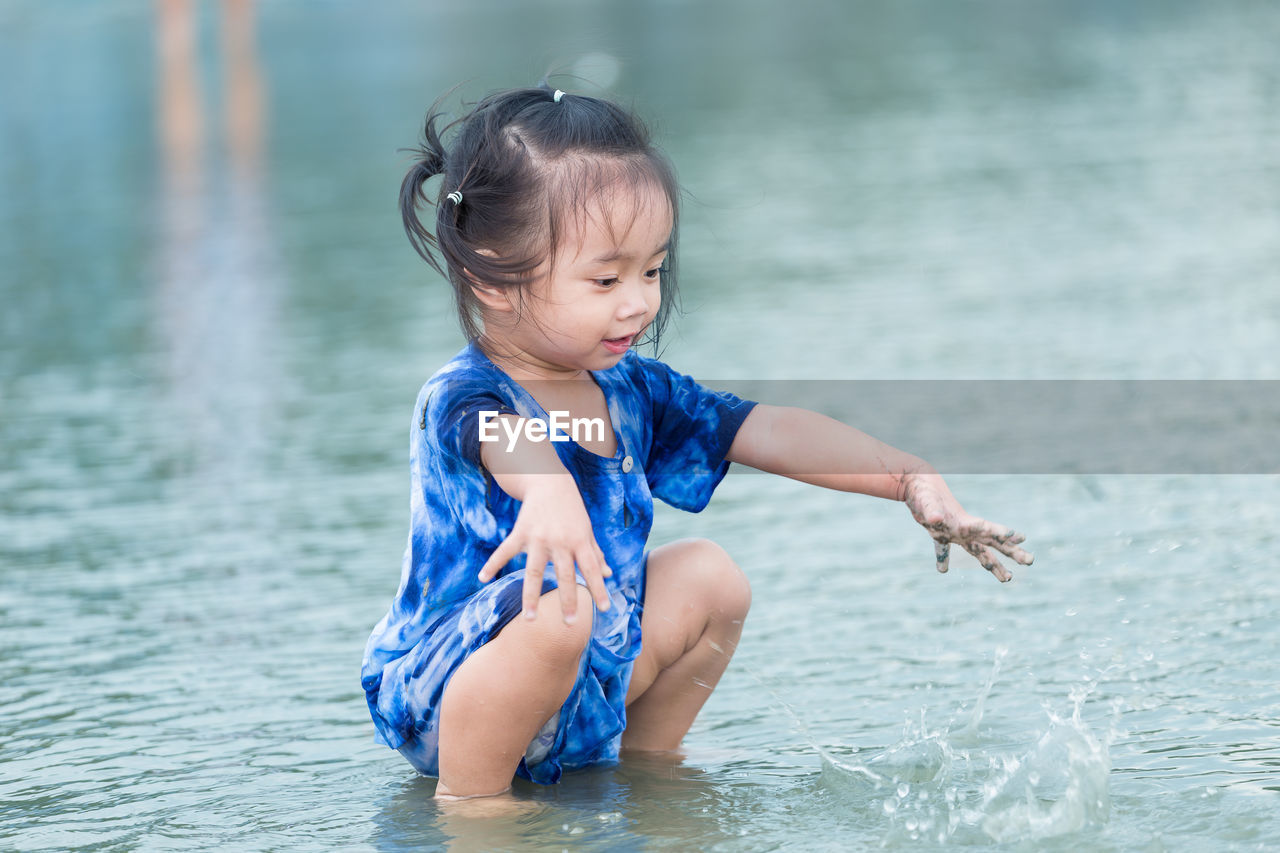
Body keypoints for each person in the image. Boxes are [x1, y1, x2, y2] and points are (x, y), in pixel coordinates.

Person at [360, 83, 1034, 800]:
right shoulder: (463, 395)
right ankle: (474, 809)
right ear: (492, 277)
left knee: (711, 576)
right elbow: (506, 439)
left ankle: (646, 769)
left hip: (589, 671)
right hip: (454, 688)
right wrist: (550, 489)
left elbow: (761, 427)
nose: (639, 301)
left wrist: (905, 476)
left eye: (651, 270)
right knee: (559, 609)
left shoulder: (633, 389)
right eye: (606, 277)